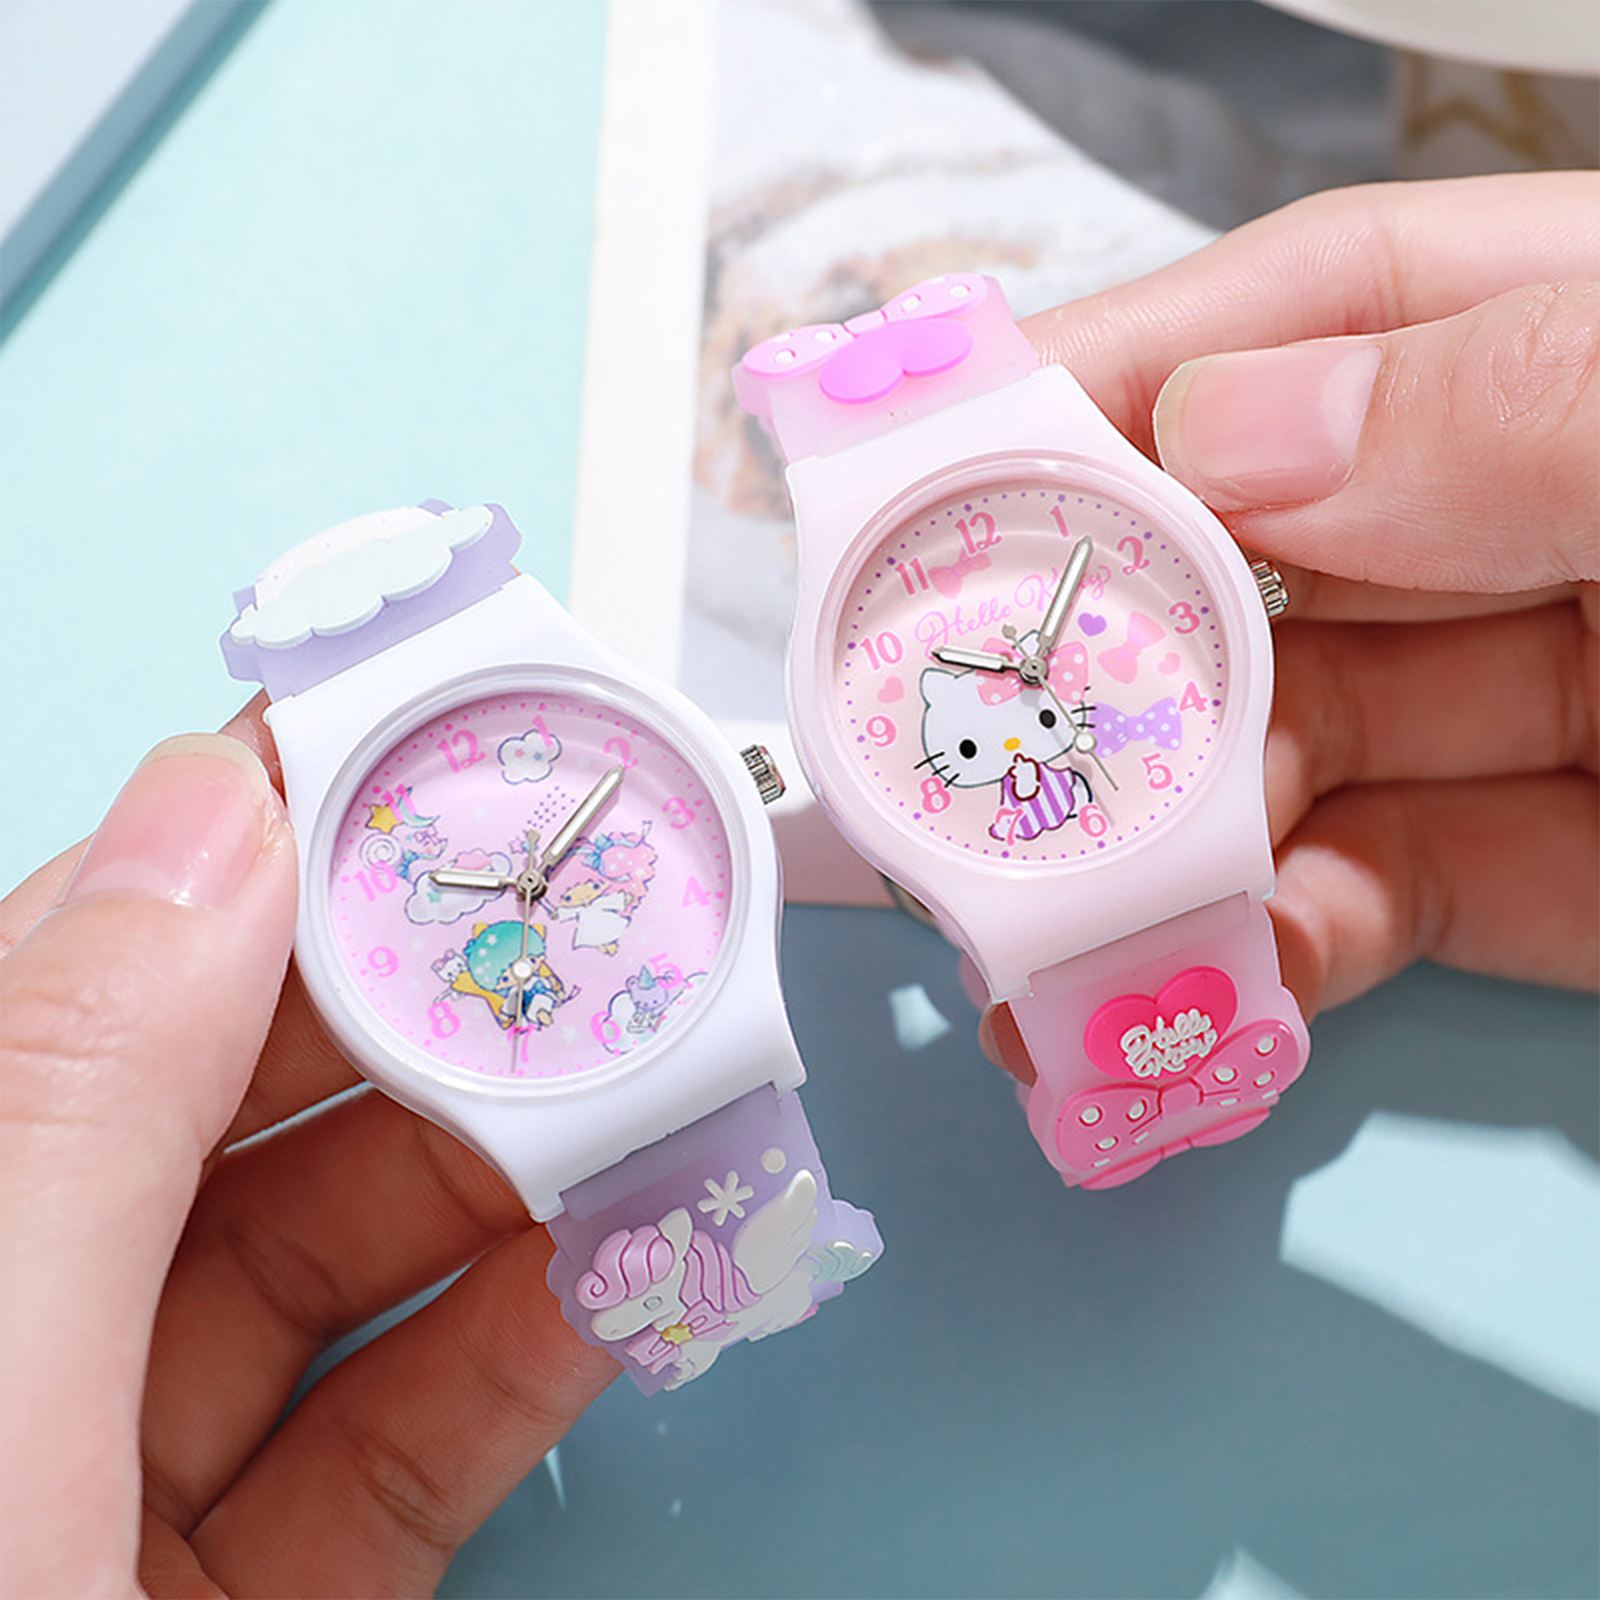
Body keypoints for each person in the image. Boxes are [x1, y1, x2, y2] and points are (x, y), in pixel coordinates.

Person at [2, 173, 1594, 1597]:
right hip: (581, 1058)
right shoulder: (567, 708)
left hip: (1168, 799)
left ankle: (1113, 1086)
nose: (537, 883)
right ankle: (805, 1234)